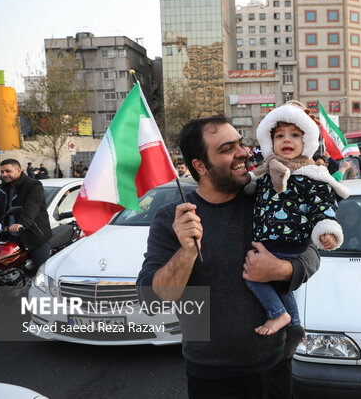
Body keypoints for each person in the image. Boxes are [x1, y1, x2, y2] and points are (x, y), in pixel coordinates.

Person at [136, 115, 321, 398]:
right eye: (227, 149)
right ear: (200, 166)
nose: (243, 153)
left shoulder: (266, 199)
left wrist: (281, 269)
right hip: (211, 373)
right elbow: (152, 298)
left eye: (240, 143)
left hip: (275, 366)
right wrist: (186, 251)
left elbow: (311, 254)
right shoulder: (175, 218)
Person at [249, 101, 349, 335]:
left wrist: (326, 230)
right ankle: (294, 325)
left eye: (295, 134)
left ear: (307, 142)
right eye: (280, 135)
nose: (287, 140)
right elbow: (251, 190)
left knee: (252, 276)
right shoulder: (265, 173)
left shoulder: (310, 175)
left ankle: (278, 315)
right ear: (269, 142)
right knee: (283, 287)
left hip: (290, 243)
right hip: (269, 243)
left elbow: (322, 204)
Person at [0, 159, 52, 274]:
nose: (4, 175)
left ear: (19, 170)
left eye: (8, 171)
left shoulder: (33, 185)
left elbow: (32, 206)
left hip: (33, 236)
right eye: (2, 172)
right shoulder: (5, 189)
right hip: (11, 236)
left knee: (42, 272)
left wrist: (22, 223)